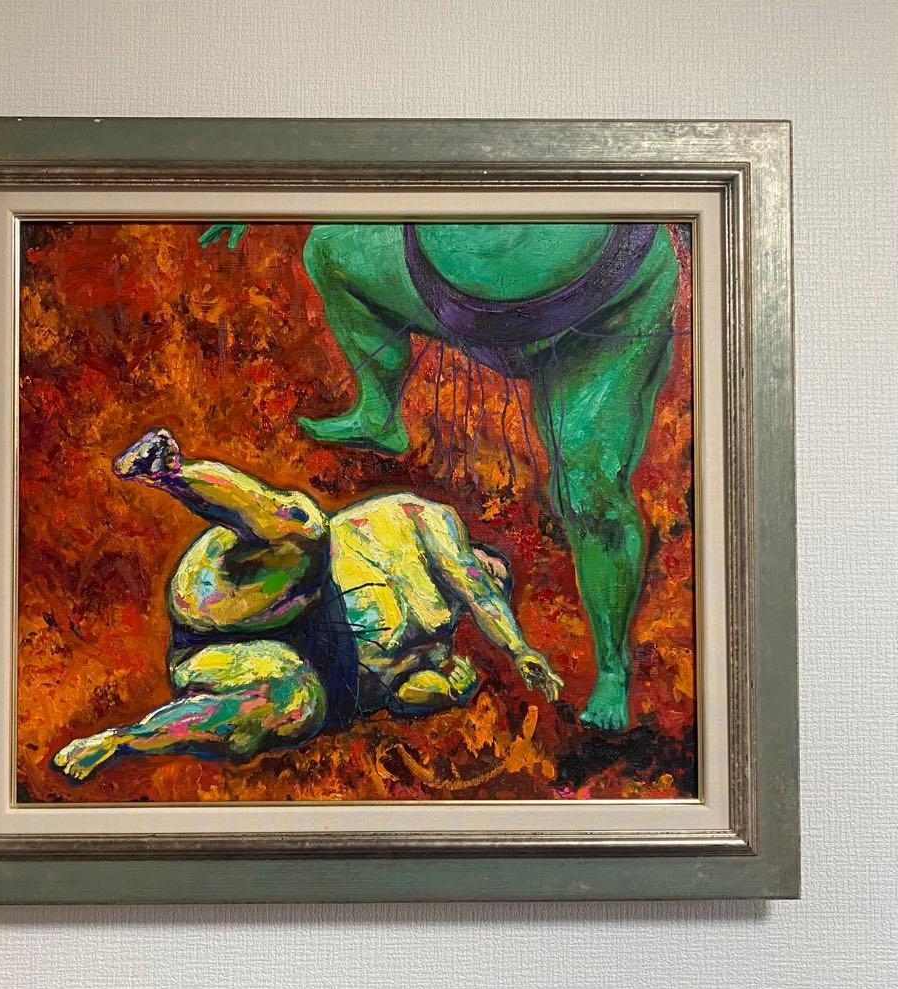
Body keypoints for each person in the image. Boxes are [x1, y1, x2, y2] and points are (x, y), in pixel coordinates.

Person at [198, 221, 681, 731]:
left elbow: (477, 592)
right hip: (445, 298)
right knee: (330, 250)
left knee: (589, 496)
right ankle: (378, 412)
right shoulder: (426, 554)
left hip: (605, 307)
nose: (491, 571)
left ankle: (612, 667)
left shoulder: (432, 562)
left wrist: (518, 650)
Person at [53, 428, 561, 780]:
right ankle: (171, 471)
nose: (494, 582)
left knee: (300, 704)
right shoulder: (425, 522)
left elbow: (400, 696)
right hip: (237, 591)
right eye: (493, 570)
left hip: (229, 660)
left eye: (502, 586)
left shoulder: (434, 643)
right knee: (307, 530)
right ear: (478, 553)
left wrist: (450, 688)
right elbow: (472, 581)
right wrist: (518, 649)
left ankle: (121, 741)